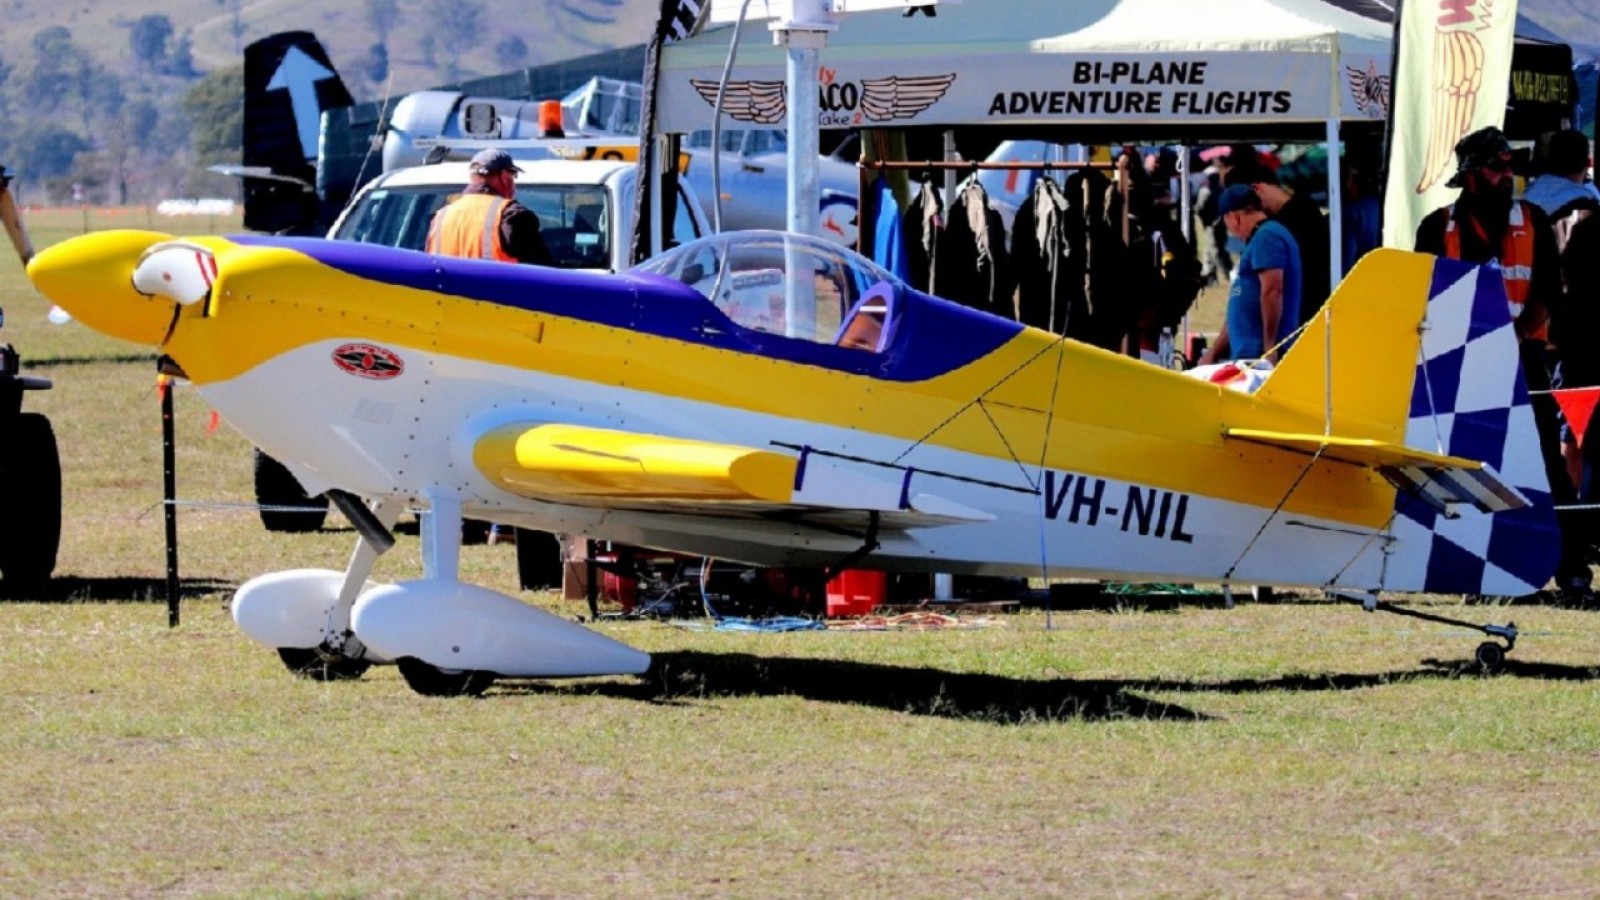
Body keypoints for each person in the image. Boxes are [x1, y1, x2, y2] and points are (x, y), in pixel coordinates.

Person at [1415, 125, 1591, 603]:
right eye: (1497, 166)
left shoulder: (1533, 220)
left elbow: (1548, 294)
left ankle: (1573, 571)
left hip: (1523, 359)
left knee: (1547, 466)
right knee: (1470, 468)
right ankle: (1478, 572)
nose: (1507, 174)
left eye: (1510, 165)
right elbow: (1425, 297)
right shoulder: (1437, 227)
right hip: (1460, 366)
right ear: (1472, 175)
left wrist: (1508, 339)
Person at [1199, 184, 1302, 366]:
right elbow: (1238, 303)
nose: (1230, 230)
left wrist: (1270, 346)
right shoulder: (1259, 239)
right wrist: (1214, 352)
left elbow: (1273, 291)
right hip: (1248, 354)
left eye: (1226, 223)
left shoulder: (1267, 237)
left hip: (1259, 356)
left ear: (1234, 217)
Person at [1225, 164, 1331, 322]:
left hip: (1299, 317)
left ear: (1256, 189)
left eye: (1245, 207)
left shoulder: (1276, 229)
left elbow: (1271, 289)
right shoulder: (1306, 208)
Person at [425, 148, 554, 266]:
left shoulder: (440, 217)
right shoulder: (511, 215)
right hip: (497, 285)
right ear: (504, 177)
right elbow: (544, 273)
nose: (514, 184)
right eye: (513, 176)